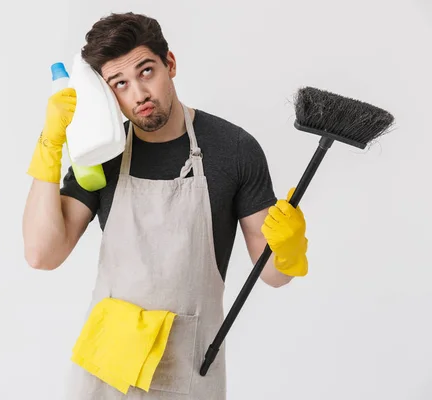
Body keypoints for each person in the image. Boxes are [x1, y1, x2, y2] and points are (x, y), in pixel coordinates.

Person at [22, 11, 309, 399]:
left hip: (189, 367)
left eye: (146, 72)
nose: (138, 94)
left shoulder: (234, 149)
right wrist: (50, 147)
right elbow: (43, 254)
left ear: (169, 64)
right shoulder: (104, 154)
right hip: (106, 371)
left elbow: (273, 274)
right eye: (119, 84)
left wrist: (288, 249)